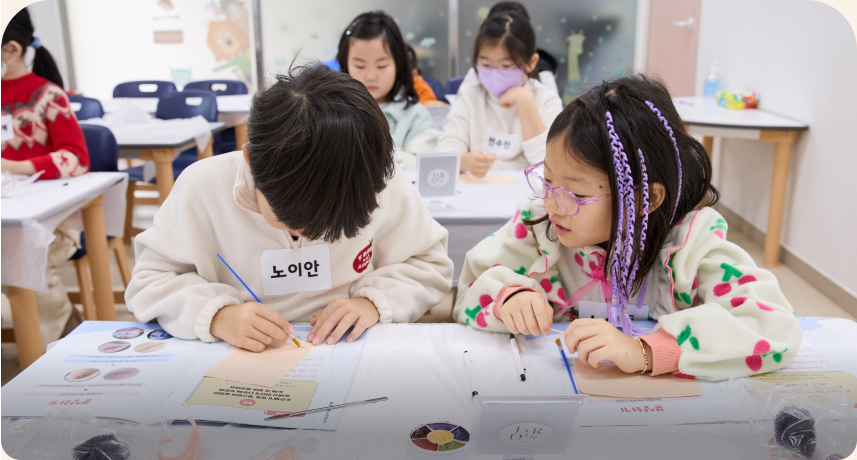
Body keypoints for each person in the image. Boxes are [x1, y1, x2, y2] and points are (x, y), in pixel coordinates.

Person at [455, 75, 802, 381]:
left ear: (643, 199)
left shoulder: (690, 243)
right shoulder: (541, 227)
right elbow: (470, 285)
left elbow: (770, 325)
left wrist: (646, 351)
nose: (552, 204)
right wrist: (509, 297)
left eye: (576, 194)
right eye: (546, 182)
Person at [126, 64, 453, 352]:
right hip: (235, 357)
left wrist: (372, 303)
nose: (306, 233)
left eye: (329, 225)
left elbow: (429, 263)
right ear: (252, 162)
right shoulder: (202, 187)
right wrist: (218, 315)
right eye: (289, 219)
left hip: (351, 352)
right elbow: (150, 281)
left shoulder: (376, 180)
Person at [1, 7, 90, 346]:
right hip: (7, 215)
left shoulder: (48, 96)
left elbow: (76, 159)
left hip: (53, 220)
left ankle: (64, 335)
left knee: (23, 262)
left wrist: (10, 166)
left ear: (11, 49)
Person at [436, 12, 563, 177]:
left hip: (525, 192)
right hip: (476, 190)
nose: (495, 74)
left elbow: (549, 164)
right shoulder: (470, 95)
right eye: (486, 64)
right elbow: (445, 149)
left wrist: (525, 102)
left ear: (531, 63)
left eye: (506, 65)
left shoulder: (546, 99)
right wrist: (464, 161)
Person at [337, 12, 437, 170]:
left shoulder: (415, 115)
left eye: (381, 66)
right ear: (345, 64)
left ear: (398, 64)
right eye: (360, 66)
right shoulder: (333, 109)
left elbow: (422, 165)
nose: (370, 76)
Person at [458, 2, 561, 96]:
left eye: (506, 65)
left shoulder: (543, 87)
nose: (504, 31)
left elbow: (555, 113)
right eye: (486, 64)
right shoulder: (478, 74)